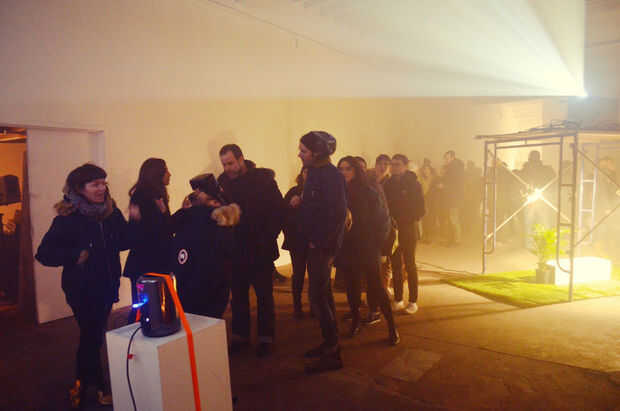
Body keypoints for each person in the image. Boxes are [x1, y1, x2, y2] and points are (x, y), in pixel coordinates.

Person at [35, 164, 128, 408]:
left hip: (107, 284)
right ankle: (94, 385)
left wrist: (140, 220)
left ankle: (82, 382)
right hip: (81, 288)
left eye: (103, 183)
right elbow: (43, 254)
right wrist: (75, 255)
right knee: (92, 335)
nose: (101, 188)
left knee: (93, 335)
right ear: (79, 188)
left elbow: (124, 240)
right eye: (95, 184)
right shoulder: (67, 219)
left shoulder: (111, 213)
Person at [218, 144, 284, 358]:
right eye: (224, 164)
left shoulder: (263, 181)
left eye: (230, 163)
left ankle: (266, 337)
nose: (227, 168)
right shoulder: (222, 183)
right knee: (238, 296)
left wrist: (268, 236)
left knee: (264, 295)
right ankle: (240, 335)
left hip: (259, 248)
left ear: (241, 159)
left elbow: (278, 211)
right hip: (235, 249)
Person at [335, 156, 400, 344]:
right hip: (348, 246)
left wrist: (376, 244)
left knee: (376, 286)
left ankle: (392, 326)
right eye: (341, 169)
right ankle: (355, 321)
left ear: (356, 170)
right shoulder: (339, 191)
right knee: (352, 287)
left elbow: (383, 219)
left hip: (367, 245)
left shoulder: (369, 190)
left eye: (348, 168)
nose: (344, 172)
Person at [298, 131, 347, 373]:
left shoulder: (332, 176)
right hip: (315, 245)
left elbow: (337, 215)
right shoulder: (315, 173)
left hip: (322, 247)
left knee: (318, 297)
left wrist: (320, 243)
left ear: (317, 152)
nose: (299, 154)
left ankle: (333, 352)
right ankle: (330, 343)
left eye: (303, 151)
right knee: (323, 295)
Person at [171, 173, 240, 318]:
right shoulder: (219, 218)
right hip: (208, 282)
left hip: (196, 281)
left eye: (199, 190)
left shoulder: (195, 216)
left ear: (214, 201)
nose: (195, 193)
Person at [124, 158, 173, 324]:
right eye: (166, 170)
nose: (169, 174)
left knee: (152, 306)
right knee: (145, 308)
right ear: (157, 174)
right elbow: (153, 230)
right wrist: (164, 214)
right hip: (147, 262)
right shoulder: (143, 196)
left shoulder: (154, 196)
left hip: (151, 261)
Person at [384, 154, 425, 314]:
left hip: (408, 229)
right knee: (395, 265)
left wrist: (405, 219)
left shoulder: (414, 184)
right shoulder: (388, 184)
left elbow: (421, 209)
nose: (394, 167)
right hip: (393, 230)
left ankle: (413, 301)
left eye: (398, 164)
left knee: (410, 265)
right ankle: (398, 299)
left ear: (405, 166)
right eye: (392, 164)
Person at [283, 167, 311, 318]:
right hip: (298, 240)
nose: (308, 174)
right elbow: (283, 213)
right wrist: (290, 205)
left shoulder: (321, 191)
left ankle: (314, 305)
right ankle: (297, 306)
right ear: (301, 174)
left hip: (314, 240)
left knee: (315, 275)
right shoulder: (294, 191)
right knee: (298, 273)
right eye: (306, 171)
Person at [438, 150, 465, 246]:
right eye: (445, 158)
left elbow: (455, 184)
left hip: (453, 198)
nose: (445, 160)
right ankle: (453, 239)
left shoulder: (454, 169)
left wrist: (444, 186)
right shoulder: (455, 168)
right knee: (452, 219)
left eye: (447, 158)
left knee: (453, 219)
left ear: (452, 157)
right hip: (453, 198)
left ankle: (456, 240)